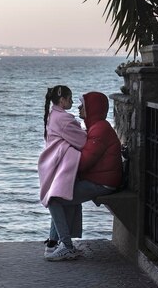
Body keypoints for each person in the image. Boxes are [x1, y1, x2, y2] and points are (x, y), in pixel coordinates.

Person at [44, 91, 123, 261]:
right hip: (100, 179)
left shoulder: (100, 130)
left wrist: (61, 167)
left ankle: (65, 245)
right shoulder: (97, 127)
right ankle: (55, 244)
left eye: (83, 105)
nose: (79, 107)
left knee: (53, 199)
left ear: (92, 108)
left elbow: (84, 161)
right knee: (61, 193)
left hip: (102, 183)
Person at [37, 85, 87, 256]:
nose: (72, 102)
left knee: (57, 199)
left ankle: (53, 243)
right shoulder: (64, 119)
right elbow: (82, 140)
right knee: (59, 200)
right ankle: (65, 245)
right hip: (60, 167)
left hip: (52, 165)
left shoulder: (53, 115)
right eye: (70, 98)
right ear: (62, 100)